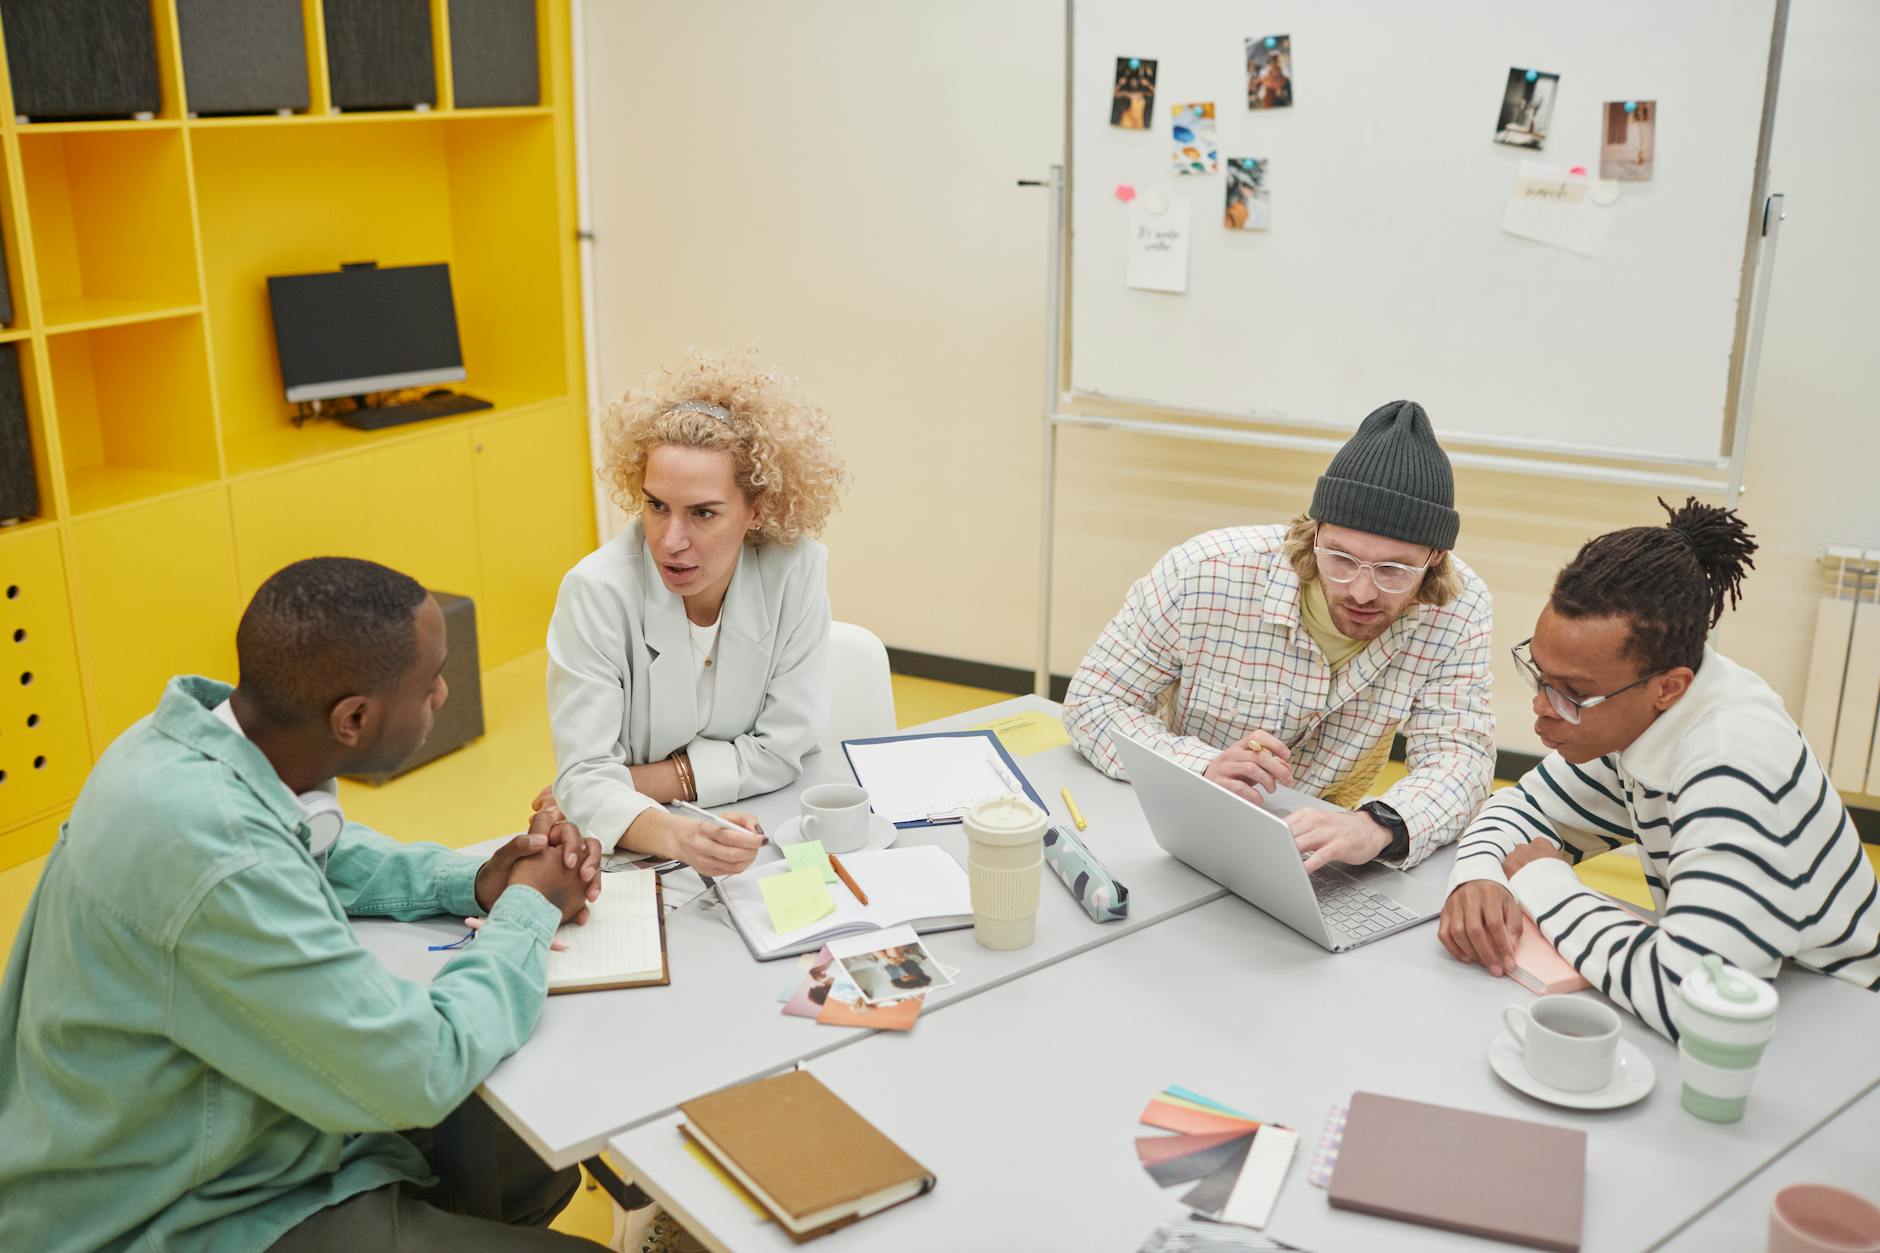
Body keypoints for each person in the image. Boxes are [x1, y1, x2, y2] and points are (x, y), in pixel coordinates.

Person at [0, 558, 607, 1251]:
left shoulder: (175, 749)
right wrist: (526, 906)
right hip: (176, 1214)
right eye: (430, 683)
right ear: (353, 717)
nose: (444, 692)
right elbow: (422, 1065)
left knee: (535, 1148)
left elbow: (314, 847)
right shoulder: (225, 864)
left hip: (220, 1136)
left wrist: (470, 881)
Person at [1439, 501, 1880, 1036]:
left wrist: (1545, 884)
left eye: (1572, 693)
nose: (1540, 705)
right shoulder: (1643, 716)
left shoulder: (1734, 764)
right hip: (1758, 997)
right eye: (1539, 674)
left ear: (1668, 687)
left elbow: (1692, 1001)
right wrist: (1478, 878)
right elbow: (1520, 809)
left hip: (1836, 1023)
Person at [1064, 399, 1495, 872]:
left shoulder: (1461, 610)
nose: (1361, 591)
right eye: (1341, 558)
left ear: (1434, 558)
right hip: (1185, 829)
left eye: (1394, 570)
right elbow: (1093, 703)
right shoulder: (1204, 573)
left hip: (1322, 851)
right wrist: (1199, 766)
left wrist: (1379, 824)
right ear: (1314, 532)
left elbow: (1461, 759)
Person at [546, 350, 847, 875]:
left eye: (703, 513)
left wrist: (632, 781)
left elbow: (783, 750)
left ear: (757, 510)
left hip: (765, 826)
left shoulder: (795, 571)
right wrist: (680, 834)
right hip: (642, 847)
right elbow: (585, 779)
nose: (670, 541)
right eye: (656, 506)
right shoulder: (595, 592)